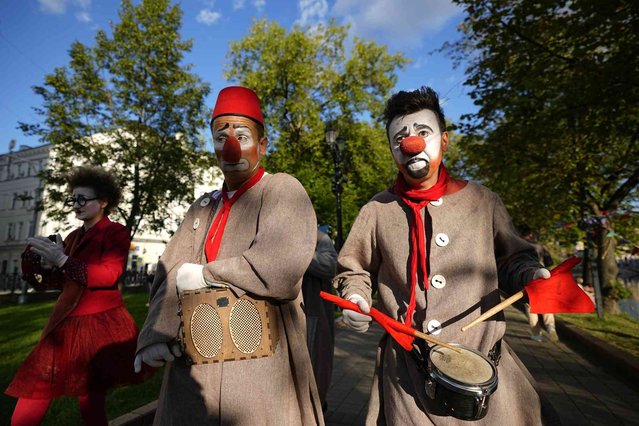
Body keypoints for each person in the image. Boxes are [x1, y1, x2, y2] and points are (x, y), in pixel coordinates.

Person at [334, 86, 557, 424]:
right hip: (407, 377)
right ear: (393, 150)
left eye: (423, 132)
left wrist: (531, 276)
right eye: (399, 139)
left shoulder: (483, 202)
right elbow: (354, 268)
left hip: (486, 373)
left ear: (445, 140)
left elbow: (513, 260)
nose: (411, 143)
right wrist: (355, 296)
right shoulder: (376, 210)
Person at [134, 86, 324, 425]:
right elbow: (169, 271)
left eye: (241, 135)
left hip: (259, 362)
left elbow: (279, 269)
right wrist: (155, 335)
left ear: (262, 146)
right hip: (194, 361)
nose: (230, 145)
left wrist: (207, 275)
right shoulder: (202, 206)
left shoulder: (282, 189)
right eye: (221, 137)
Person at [6, 166, 151, 426]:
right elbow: (64, 283)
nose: (76, 204)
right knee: (36, 389)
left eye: (83, 199)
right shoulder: (72, 236)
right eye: (73, 199)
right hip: (64, 323)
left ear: (104, 202)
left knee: (90, 399)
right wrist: (46, 265)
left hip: (98, 325)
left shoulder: (115, 232)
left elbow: (109, 275)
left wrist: (62, 260)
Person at [302, 227, 338, 411]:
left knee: (316, 368)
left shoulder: (319, 238)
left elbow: (330, 266)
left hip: (313, 317)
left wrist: (295, 251)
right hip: (286, 318)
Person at [518, 224, 559, 342]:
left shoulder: (519, 247)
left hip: (526, 277)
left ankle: (537, 334)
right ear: (530, 234)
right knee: (545, 303)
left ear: (521, 235)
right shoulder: (540, 247)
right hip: (542, 276)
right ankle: (551, 326)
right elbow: (549, 262)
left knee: (530, 306)